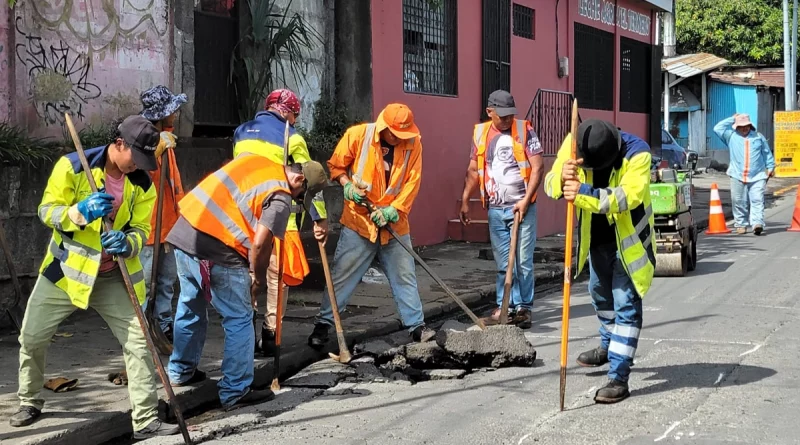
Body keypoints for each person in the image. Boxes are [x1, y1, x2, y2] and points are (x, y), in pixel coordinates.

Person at [10, 116, 179, 438]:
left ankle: (145, 420)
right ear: (119, 144)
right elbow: (47, 211)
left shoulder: (142, 183)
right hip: (65, 274)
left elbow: (141, 230)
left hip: (114, 275)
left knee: (139, 344)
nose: (137, 166)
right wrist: (79, 212)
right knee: (32, 338)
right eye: (135, 158)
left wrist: (127, 243)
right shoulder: (73, 167)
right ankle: (29, 401)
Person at [165, 148, 328, 410]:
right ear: (298, 180)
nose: (298, 200)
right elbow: (262, 244)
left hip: (185, 233)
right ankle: (235, 390)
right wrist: (258, 279)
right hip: (219, 250)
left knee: (190, 305)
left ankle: (180, 372)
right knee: (240, 318)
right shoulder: (281, 197)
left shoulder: (255, 159)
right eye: (302, 195)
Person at [544, 119, 655, 404]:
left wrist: (581, 192)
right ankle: (608, 346)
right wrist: (561, 177)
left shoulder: (638, 153)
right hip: (596, 241)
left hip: (628, 246)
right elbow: (551, 185)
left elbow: (626, 198)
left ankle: (619, 376)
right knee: (600, 297)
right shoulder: (574, 143)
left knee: (625, 305)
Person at [307, 103, 435, 348]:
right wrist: (346, 185)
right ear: (384, 128)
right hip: (360, 223)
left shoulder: (413, 144)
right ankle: (323, 324)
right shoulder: (359, 135)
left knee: (404, 276)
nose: (399, 139)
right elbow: (336, 165)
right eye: (396, 134)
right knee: (342, 276)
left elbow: (412, 183)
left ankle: (417, 326)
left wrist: (394, 211)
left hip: (394, 224)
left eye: (403, 135)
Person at [232, 88, 328, 357]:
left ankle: (245, 336)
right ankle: (271, 335)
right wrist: (319, 219)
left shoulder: (241, 132)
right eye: (295, 115)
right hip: (279, 215)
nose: (295, 120)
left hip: (243, 216)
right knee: (276, 278)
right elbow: (308, 181)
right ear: (286, 112)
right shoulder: (292, 137)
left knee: (248, 275)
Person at [459, 90, 544, 328]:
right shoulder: (481, 133)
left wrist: (526, 201)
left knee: (523, 261)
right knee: (503, 264)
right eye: (502, 116)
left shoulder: (524, 130)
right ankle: (504, 305)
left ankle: (524, 308)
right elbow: (473, 170)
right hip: (496, 209)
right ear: (490, 112)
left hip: (523, 207)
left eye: (510, 116)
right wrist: (465, 199)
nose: (507, 121)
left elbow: (538, 167)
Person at [138, 85, 188, 342]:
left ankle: (163, 324)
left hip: (169, 224)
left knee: (167, 281)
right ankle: (141, 328)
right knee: (145, 283)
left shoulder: (168, 138)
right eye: (173, 110)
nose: (176, 114)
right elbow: (135, 173)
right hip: (147, 225)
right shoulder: (142, 137)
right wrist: (156, 150)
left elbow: (174, 184)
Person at [713, 113, 775, 235]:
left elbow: (766, 152)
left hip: (757, 175)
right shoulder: (730, 136)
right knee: (738, 200)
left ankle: (757, 223)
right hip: (737, 174)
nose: (744, 128)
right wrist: (732, 118)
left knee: (757, 199)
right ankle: (741, 224)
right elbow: (717, 128)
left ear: (750, 125)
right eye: (741, 126)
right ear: (736, 126)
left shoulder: (758, 137)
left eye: (746, 125)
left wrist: (770, 167)